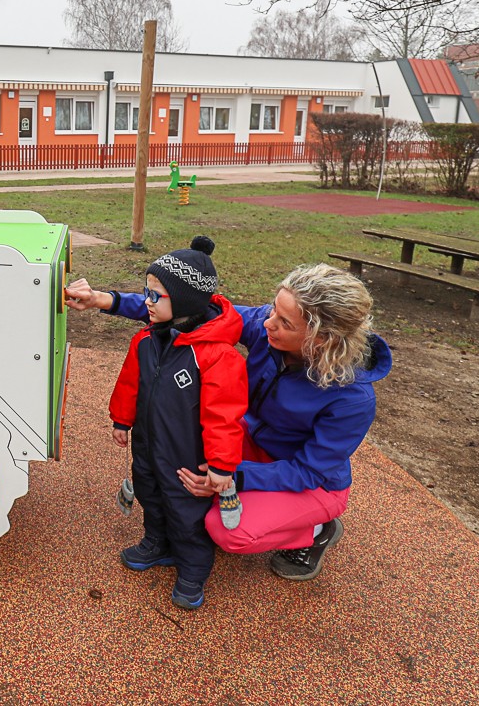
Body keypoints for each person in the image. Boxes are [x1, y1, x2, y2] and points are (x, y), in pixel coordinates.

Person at [68, 262, 392, 582]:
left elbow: (309, 470)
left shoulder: (353, 399)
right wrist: (104, 300)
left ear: (323, 339)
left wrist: (232, 477)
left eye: (284, 322)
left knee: (227, 530)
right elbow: (185, 311)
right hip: (253, 439)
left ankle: (317, 530)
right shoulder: (268, 328)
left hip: (310, 481)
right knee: (183, 462)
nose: (268, 323)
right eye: (273, 309)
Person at [107, 237, 247, 610]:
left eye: (156, 296)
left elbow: (225, 415)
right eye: (146, 293)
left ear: (183, 301)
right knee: (149, 492)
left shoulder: (217, 356)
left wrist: (221, 465)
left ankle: (192, 569)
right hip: (147, 443)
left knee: (186, 510)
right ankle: (157, 543)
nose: (147, 302)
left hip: (186, 455)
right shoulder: (146, 341)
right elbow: (130, 382)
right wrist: (122, 419)